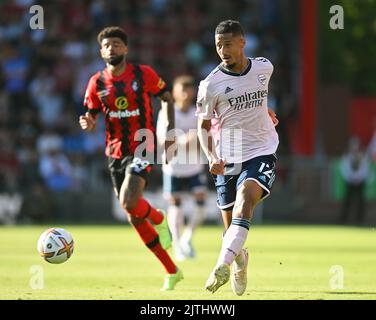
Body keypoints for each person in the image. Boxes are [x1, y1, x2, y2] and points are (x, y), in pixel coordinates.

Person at [79, 26, 183, 291]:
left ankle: (159, 219)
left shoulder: (143, 74)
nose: (111, 48)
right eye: (107, 45)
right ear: (101, 51)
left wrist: (169, 131)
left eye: (116, 44)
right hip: (114, 152)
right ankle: (172, 270)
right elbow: (90, 114)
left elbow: (167, 98)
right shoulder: (96, 83)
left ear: (125, 48)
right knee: (133, 215)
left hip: (143, 144)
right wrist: (87, 122)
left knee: (128, 201)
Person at [196, 20, 279, 295]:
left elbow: (260, 97)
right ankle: (240, 260)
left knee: (246, 198)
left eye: (228, 44)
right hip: (228, 155)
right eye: (218, 45)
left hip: (262, 149)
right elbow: (203, 126)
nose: (223, 50)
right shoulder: (210, 85)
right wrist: (211, 156)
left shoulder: (264, 67)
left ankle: (221, 265)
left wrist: (266, 112)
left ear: (243, 43)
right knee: (230, 230)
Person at [157, 75, 207, 261]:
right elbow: (163, 140)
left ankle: (187, 238)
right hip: (174, 166)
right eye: (181, 90)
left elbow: (207, 136)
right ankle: (178, 245)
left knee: (201, 203)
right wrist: (183, 139)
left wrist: (200, 139)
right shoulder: (167, 113)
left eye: (188, 90)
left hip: (194, 165)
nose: (185, 94)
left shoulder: (198, 112)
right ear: (175, 93)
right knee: (175, 205)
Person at [339, 137, 370, 224]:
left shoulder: (363, 157)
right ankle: (343, 219)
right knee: (347, 200)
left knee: (361, 200)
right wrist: (351, 178)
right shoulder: (346, 157)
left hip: (360, 182)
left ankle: (360, 219)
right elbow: (344, 169)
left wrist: (359, 178)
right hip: (350, 182)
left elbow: (365, 169)